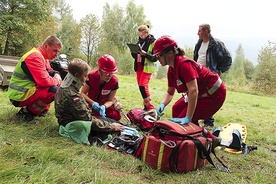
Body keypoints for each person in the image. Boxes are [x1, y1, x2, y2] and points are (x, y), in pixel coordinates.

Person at [154, 35, 226, 128]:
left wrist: (188, 117)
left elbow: (193, 90)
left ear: (170, 53)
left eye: (159, 55)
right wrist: (162, 105)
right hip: (202, 92)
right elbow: (170, 92)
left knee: (184, 123)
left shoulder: (184, 65)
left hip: (214, 94)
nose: (157, 59)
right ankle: (185, 136)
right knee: (176, 109)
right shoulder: (171, 69)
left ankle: (207, 138)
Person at [54, 58, 124, 145]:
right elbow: (89, 121)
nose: (87, 79)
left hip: (69, 121)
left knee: (110, 120)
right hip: (73, 125)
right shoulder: (73, 96)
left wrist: (104, 107)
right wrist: (112, 127)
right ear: (76, 75)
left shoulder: (62, 88)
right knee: (110, 128)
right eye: (85, 76)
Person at [8, 36, 63, 122]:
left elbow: (49, 70)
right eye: (54, 51)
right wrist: (57, 81)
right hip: (19, 95)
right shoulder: (35, 57)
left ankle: (40, 110)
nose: (56, 54)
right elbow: (44, 81)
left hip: (24, 91)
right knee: (54, 90)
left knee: (53, 88)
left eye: (58, 52)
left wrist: (56, 74)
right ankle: (25, 114)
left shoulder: (42, 56)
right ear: (46, 46)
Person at [194, 23, 232, 129]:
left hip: (209, 76)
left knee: (208, 97)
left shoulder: (216, 44)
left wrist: (220, 71)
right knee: (196, 95)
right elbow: (197, 56)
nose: (197, 33)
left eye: (199, 31)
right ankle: (194, 119)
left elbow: (228, 58)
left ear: (206, 31)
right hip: (198, 74)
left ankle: (209, 122)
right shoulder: (199, 43)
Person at [80, 54, 122, 121]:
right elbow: (82, 93)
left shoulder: (114, 82)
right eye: (107, 73)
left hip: (105, 106)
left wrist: (104, 106)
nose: (109, 76)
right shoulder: (91, 76)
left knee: (116, 116)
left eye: (111, 73)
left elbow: (110, 100)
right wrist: (92, 103)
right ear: (100, 71)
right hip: (90, 104)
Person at [130, 25, 157, 111]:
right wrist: (133, 52)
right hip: (139, 67)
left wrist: (145, 54)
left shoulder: (153, 42)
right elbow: (136, 56)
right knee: (142, 88)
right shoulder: (139, 41)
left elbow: (155, 58)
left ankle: (150, 108)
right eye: (140, 35)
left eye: (142, 35)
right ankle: (146, 106)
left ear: (146, 33)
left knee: (142, 86)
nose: (141, 36)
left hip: (147, 68)